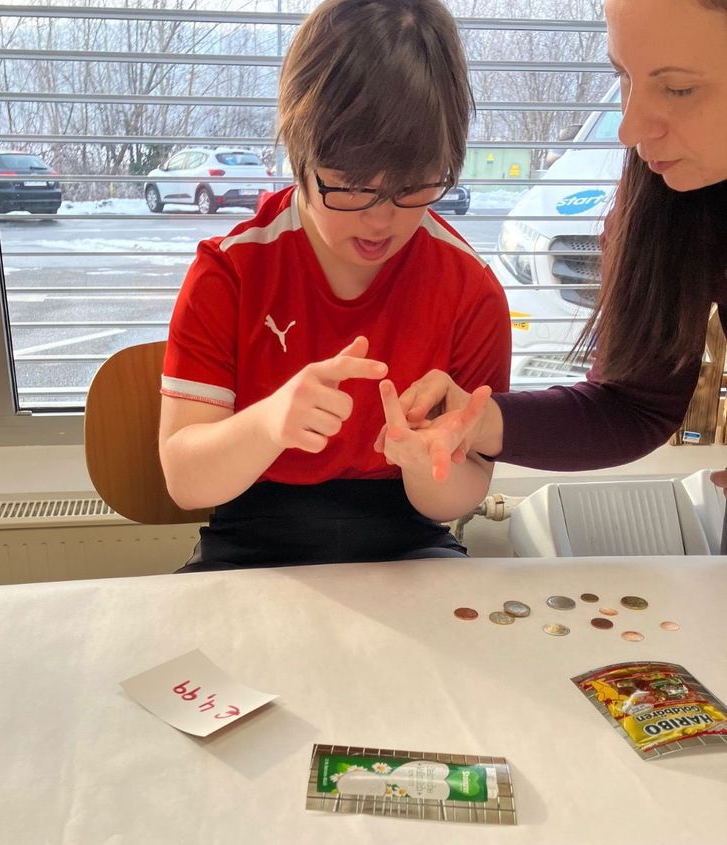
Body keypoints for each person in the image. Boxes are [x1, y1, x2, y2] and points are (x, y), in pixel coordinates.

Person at [158, 0, 511, 570]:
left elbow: (463, 490)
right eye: (348, 186)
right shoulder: (231, 272)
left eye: (414, 186)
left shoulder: (471, 290)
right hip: (250, 535)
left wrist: (426, 463)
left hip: (408, 538)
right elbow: (184, 478)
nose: (381, 220)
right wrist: (271, 422)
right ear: (300, 154)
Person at [387, 0, 727, 501]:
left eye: (679, 89)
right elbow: (633, 404)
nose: (630, 131)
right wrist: (478, 422)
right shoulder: (676, 200)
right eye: (623, 77)